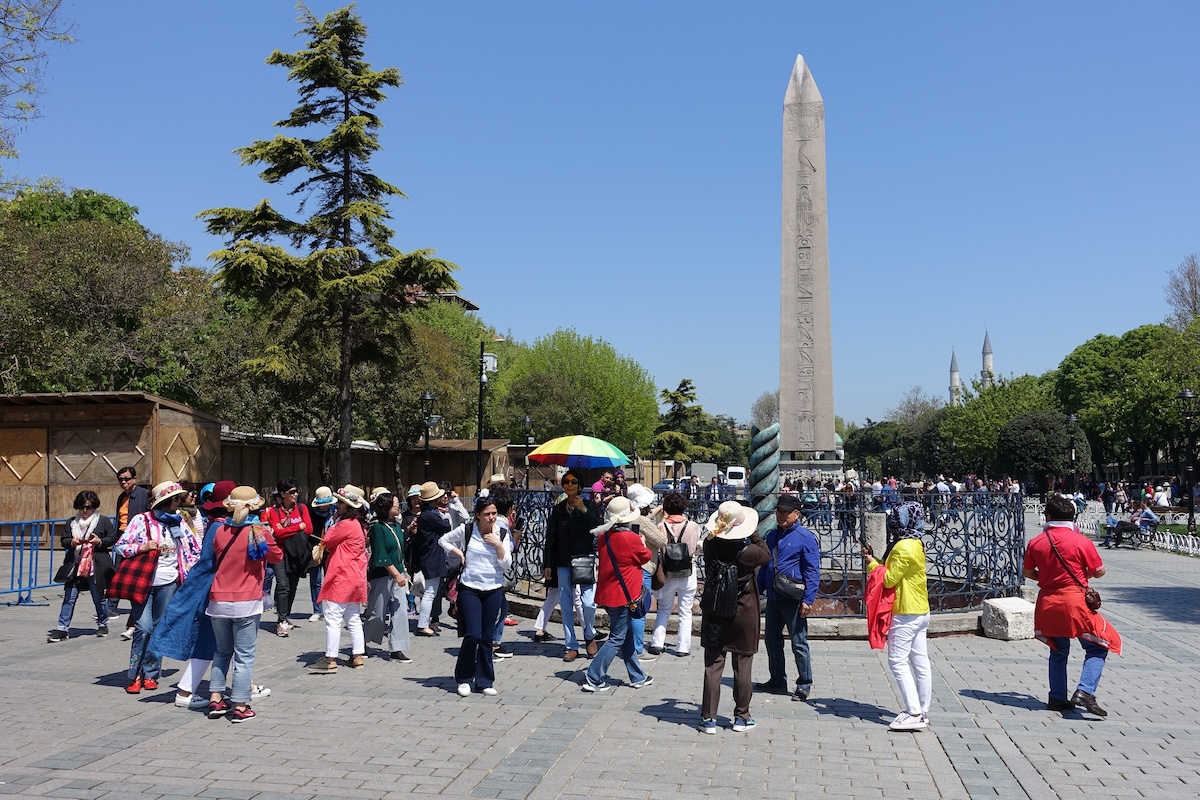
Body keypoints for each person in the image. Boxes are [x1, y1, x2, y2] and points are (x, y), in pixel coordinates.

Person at [155, 481, 272, 711]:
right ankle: (187, 691)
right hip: (220, 591)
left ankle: (244, 686)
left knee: (224, 645)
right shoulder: (223, 529)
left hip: (215, 590)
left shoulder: (217, 526)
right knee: (215, 644)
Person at [1023, 494, 1121, 716]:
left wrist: (1049, 580)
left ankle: (1057, 698)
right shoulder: (1081, 541)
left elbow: (1028, 572)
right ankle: (1085, 691)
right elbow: (1099, 572)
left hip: (1048, 602)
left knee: (1058, 650)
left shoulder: (1036, 542)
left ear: (1047, 516)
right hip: (1075, 602)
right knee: (1098, 646)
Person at [115, 481, 203, 694]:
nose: (178, 502)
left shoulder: (180, 521)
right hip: (143, 583)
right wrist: (141, 547)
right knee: (143, 628)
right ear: (164, 501)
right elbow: (120, 547)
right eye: (175, 499)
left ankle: (151, 673)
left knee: (159, 628)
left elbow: (193, 549)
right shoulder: (141, 520)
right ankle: (134, 674)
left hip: (169, 583)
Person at [204, 486, 283, 722]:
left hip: (218, 599)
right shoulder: (258, 531)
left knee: (221, 652)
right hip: (247, 601)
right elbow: (277, 556)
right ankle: (240, 705)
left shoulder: (219, 530)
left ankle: (216, 698)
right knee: (244, 655)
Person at [698, 501, 770, 733]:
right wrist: (755, 534)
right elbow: (767, 554)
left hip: (716, 609)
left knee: (713, 664)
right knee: (743, 663)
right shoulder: (749, 552)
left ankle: (709, 719)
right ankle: (742, 716)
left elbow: (710, 538)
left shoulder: (711, 547)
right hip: (743, 611)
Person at [862, 501, 932, 731]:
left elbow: (890, 579)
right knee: (920, 661)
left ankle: (913, 711)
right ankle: (923, 709)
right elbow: (895, 570)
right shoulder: (915, 542)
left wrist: (873, 566)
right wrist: (876, 559)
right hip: (920, 609)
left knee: (897, 661)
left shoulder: (903, 546)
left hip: (906, 610)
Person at [441, 496, 512, 696]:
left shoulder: (502, 533)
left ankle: (484, 681)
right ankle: (464, 678)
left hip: (493, 589)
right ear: (477, 516)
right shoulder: (468, 530)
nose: (491, 518)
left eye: (494, 514)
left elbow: (506, 564)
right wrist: (458, 553)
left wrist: (498, 545)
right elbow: (443, 540)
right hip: (470, 588)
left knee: (487, 637)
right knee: (472, 634)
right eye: (487, 514)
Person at [582, 497, 653, 692]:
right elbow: (645, 556)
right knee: (616, 637)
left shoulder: (604, 535)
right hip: (624, 595)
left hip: (608, 592)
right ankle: (594, 677)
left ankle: (638, 676)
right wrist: (642, 542)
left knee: (626, 635)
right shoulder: (630, 538)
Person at [756, 493, 820, 702]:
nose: (780, 515)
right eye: (778, 512)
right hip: (774, 596)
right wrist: (759, 589)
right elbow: (766, 565)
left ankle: (804, 683)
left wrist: (809, 600)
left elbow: (812, 571)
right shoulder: (772, 535)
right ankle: (777, 679)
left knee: (798, 641)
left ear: (797, 514)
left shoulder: (805, 538)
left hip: (793, 598)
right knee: (771, 640)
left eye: (785, 512)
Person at [542, 470, 603, 661]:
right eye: (566, 482)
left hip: (584, 559)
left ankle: (590, 635)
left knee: (588, 603)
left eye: (573, 482)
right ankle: (571, 645)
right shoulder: (558, 509)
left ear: (580, 485)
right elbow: (550, 538)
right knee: (566, 605)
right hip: (563, 561)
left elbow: (598, 528)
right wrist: (547, 563)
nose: (569, 485)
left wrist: (583, 510)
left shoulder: (590, 505)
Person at [309, 485, 369, 673]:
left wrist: (334, 522)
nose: (337, 507)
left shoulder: (345, 524)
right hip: (356, 575)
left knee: (333, 617)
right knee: (353, 617)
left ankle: (330, 658)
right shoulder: (359, 524)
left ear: (347, 506)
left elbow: (327, 540)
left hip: (342, 575)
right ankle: (358, 655)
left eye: (341, 504)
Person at [48, 490, 118, 642]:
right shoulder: (72, 522)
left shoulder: (103, 521)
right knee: (69, 597)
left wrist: (99, 541)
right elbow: (64, 540)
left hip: (95, 566)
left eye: (89, 507)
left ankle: (102, 624)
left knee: (98, 597)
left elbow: (112, 538)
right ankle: (62, 629)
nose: (85, 511)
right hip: (75, 565)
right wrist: (71, 542)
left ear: (94, 507)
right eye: (82, 507)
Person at [648, 491, 701, 657]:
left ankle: (657, 642)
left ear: (666, 508)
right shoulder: (693, 526)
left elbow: (648, 529)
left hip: (668, 572)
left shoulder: (660, 527)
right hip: (687, 572)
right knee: (685, 611)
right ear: (684, 507)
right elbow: (697, 545)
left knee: (664, 608)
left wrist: (659, 513)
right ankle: (683, 647)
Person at [363, 490, 412, 664]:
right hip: (382, 575)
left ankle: (397, 647)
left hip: (398, 574)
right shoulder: (377, 527)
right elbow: (381, 555)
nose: (399, 506)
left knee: (399, 611)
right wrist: (396, 573)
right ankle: (364, 642)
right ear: (386, 507)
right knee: (377, 612)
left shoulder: (397, 525)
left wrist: (403, 572)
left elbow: (397, 549)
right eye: (395, 503)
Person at [260, 477, 313, 637]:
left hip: (297, 552)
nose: (295, 494)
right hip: (280, 552)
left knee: (292, 585)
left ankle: (285, 615)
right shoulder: (275, 511)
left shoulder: (302, 508)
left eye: (297, 491)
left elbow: (309, 528)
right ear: (282, 494)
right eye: (291, 492)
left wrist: (289, 529)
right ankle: (282, 620)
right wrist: (298, 527)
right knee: (283, 585)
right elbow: (277, 533)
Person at [111, 466, 150, 631]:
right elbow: (120, 519)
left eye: (127, 479)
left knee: (133, 575)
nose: (123, 482)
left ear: (134, 479)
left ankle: (134, 613)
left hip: (137, 542)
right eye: (120, 479)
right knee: (117, 572)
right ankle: (111, 607)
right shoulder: (122, 497)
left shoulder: (144, 495)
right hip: (122, 539)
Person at [412, 481, 453, 636]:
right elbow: (446, 526)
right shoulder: (429, 515)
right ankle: (423, 624)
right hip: (432, 557)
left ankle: (424, 623)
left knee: (431, 592)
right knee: (430, 593)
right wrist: (446, 519)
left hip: (431, 556)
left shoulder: (428, 513)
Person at [307, 485, 336, 621]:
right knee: (315, 581)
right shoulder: (310, 512)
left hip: (331, 549)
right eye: (323, 504)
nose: (325, 507)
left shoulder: (335, 512)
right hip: (316, 549)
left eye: (327, 504)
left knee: (331, 580)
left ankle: (332, 609)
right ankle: (317, 610)